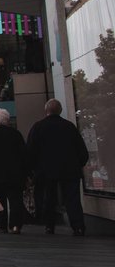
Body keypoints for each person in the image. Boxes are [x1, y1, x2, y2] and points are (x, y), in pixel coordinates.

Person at [26, 98, 89, 236]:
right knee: (72, 199)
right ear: (60, 110)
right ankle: (78, 226)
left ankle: (49, 225)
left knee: (49, 198)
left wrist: (32, 170)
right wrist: (79, 164)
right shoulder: (69, 127)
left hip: (46, 170)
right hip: (70, 169)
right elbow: (82, 150)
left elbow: (30, 151)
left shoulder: (38, 127)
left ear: (46, 110)